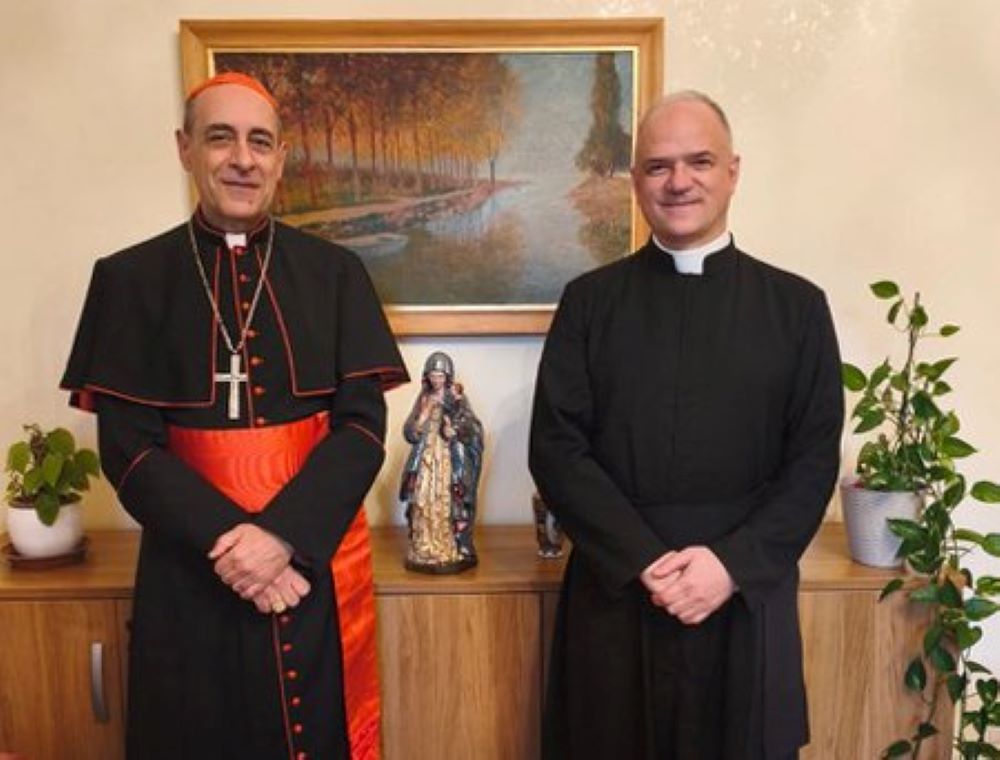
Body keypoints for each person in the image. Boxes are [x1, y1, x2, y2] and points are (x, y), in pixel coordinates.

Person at [60, 72, 408, 759]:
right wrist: (236, 546)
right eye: (221, 138)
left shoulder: (336, 274)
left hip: (309, 564)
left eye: (260, 142)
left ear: (281, 157)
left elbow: (362, 429)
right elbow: (127, 449)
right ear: (185, 148)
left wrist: (280, 538)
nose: (243, 159)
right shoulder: (129, 279)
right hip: (189, 565)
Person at [529, 90, 844, 759]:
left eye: (699, 161)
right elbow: (556, 448)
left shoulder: (797, 308)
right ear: (636, 180)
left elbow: (814, 460)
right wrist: (644, 560)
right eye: (657, 166)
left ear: (733, 170)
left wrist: (729, 566)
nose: (679, 182)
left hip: (742, 598)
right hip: (617, 593)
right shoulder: (589, 303)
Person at [399, 351, 483, 573]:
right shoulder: (423, 399)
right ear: (427, 377)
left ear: (448, 377)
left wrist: (453, 429)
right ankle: (424, 544)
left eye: (440, 376)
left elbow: (471, 425)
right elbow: (409, 431)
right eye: (433, 375)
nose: (437, 380)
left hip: (447, 458)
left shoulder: (456, 397)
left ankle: (448, 545)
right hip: (426, 456)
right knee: (423, 498)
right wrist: (424, 415)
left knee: (447, 498)